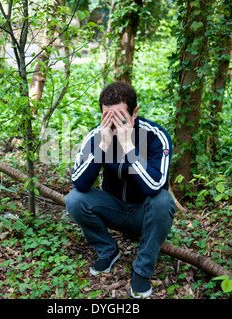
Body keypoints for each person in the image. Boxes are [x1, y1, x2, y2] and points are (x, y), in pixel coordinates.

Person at [65, 81, 176, 298]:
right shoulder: (95, 136)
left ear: (134, 113)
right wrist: (103, 144)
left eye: (120, 116)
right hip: (113, 208)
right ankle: (108, 250)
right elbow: (80, 183)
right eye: (107, 116)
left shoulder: (155, 136)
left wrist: (129, 147)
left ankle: (142, 270)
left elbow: (155, 187)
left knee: (163, 200)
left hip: (144, 212)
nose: (113, 123)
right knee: (74, 199)